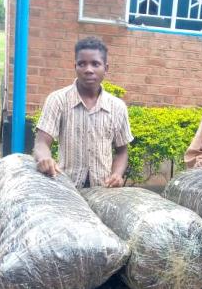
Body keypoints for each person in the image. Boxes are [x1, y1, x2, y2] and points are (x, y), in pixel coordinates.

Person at [33, 36, 133, 188]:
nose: (88, 70)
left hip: (103, 191)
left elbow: (122, 151)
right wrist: (45, 159)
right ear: (75, 67)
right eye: (82, 64)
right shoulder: (58, 100)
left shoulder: (117, 107)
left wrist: (117, 174)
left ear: (106, 68)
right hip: (65, 188)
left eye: (95, 64)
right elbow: (41, 142)